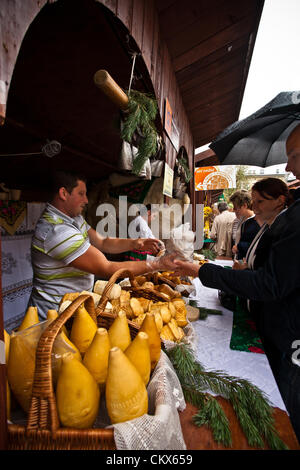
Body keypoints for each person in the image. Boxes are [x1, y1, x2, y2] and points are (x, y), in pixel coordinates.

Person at [165, 126, 300, 442]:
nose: (290, 165)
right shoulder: (280, 222)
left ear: (280, 201)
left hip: (290, 335)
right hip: (273, 322)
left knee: (287, 407)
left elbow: (270, 283)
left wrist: (202, 271)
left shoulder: (293, 223)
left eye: (294, 155)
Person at [29, 171, 169, 319]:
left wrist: (137, 243)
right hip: (53, 316)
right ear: (64, 193)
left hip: (73, 310)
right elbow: (106, 267)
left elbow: (103, 241)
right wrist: (158, 264)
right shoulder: (56, 231)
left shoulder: (74, 219)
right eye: (81, 193)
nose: (87, 200)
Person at [229, 190, 261, 260]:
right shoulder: (241, 220)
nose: (233, 210)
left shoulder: (256, 222)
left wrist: (239, 247)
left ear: (244, 205)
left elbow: (258, 246)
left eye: (235, 207)